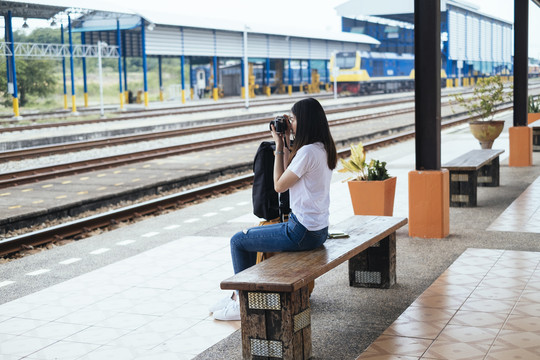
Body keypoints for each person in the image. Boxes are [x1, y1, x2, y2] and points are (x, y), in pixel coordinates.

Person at [211, 97, 338, 321]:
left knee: (238, 241)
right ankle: (235, 297)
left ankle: (242, 302)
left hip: (301, 232)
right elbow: (290, 172)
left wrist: (280, 146)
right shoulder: (323, 148)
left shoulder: (307, 152)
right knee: (245, 239)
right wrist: (284, 143)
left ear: (305, 122)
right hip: (319, 230)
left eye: (294, 119)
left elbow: (279, 185)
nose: (291, 123)